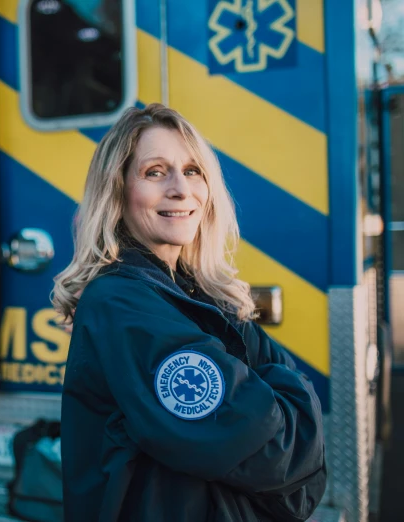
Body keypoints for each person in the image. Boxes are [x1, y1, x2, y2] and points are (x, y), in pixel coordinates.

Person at [51, 104, 326, 521]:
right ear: (118, 190)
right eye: (155, 172)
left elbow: (298, 441)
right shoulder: (120, 302)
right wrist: (272, 393)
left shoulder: (199, 293)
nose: (181, 189)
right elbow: (276, 452)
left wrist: (276, 401)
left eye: (193, 170)